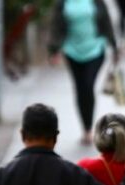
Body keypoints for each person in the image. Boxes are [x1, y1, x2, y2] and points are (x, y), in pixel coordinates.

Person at [48, 0, 118, 145]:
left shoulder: (97, 2)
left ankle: (89, 128)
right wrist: (53, 50)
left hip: (95, 49)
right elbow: (56, 26)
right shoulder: (63, 3)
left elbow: (106, 22)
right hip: (72, 50)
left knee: (88, 85)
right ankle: (85, 129)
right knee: (80, 89)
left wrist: (114, 47)